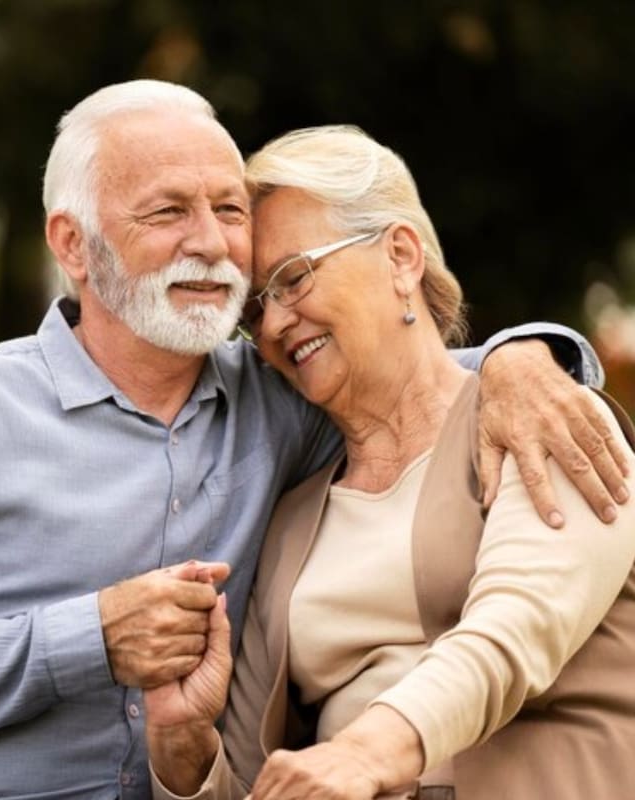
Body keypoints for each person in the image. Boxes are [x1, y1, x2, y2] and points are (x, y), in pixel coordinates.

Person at [0, 82, 625, 800]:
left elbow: (410, 376)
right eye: (168, 211)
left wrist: (529, 357)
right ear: (73, 244)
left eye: (228, 211)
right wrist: (88, 639)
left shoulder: (281, 398)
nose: (212, 244)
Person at [144, 125, 635, 800]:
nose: (274, 325)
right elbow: (259, 782)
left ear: (401, 256)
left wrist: (360, 756)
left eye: (293, 279)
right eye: (254, 309)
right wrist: (183, 745)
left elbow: (514, 632)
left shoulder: (541, 415)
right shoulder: (292, 520)